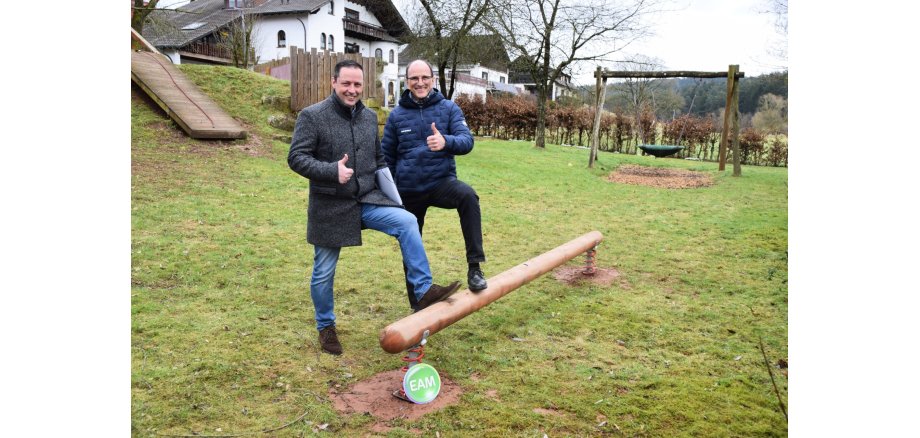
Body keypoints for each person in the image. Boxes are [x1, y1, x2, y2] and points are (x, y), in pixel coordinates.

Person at [288, 59, 460, 356]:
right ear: (334, 82)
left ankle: (423, 290)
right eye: (346, 84)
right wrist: (331, 171)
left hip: (368, 200)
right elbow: (296, 158)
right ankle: (325, 327)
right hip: (330, 206)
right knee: (323, 272)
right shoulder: (312, 116)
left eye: (357, 85)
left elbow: (379, 159)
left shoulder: (368, 117)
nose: (352, 90)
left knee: (406, 221)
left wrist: (389, 188)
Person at [381, 59, 488, 312]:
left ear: (433, 79)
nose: (420, 83)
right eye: (414, 79)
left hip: (441, 183)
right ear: (407, 82)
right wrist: (392, 193)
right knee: (410, 242)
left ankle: (475, 268)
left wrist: (446, 141)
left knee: (468, 197)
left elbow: (466, 141)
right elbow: (386, 158)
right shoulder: (396, 116)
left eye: (424, 78)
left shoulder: (449, 109)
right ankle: (417, 302)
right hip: (408, 191)